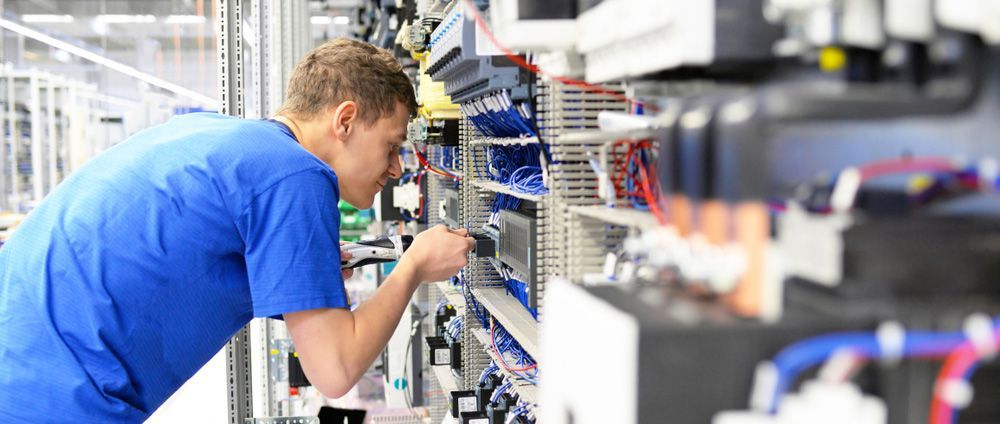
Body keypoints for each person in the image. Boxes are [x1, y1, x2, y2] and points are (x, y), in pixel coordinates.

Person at [0, 38, 473, 422]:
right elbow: (335, 369)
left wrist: (301, 271)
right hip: (54, 393)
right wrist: (412, 267)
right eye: (391, 146)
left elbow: (184, 256)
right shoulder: (296, 175)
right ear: (345, 119)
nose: (395, 168)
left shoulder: (227, 138)